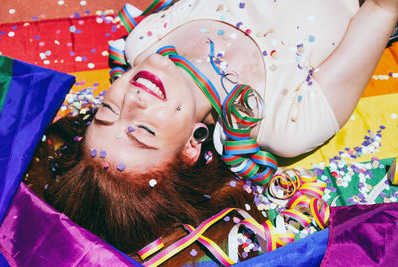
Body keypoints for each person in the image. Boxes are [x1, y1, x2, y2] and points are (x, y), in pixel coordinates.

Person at [24, 0, 398, 265]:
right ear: (190, 148)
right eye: (144, 131)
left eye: (107, 111)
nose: (133, 100)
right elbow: (383, 10)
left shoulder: (144, 40)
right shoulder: (287, 123)